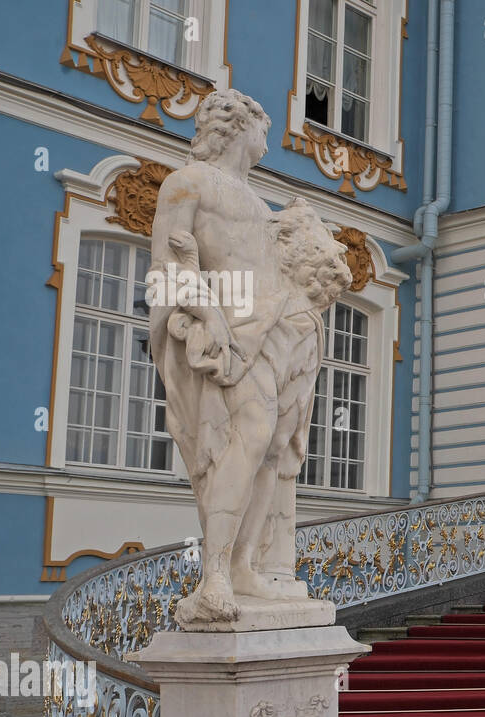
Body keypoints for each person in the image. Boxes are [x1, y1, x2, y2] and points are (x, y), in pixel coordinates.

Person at [149, 89, 353, 625]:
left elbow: (287, 273)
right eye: (264, 129)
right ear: (241, 127)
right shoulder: (186, 183)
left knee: (274, 451)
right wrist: (209, 312)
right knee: (251, 434)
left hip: (280, 330)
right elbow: (164, 272)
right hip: (232, 331)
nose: (270, 142)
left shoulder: (263, 207)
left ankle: (243, 566)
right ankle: (213, 573)